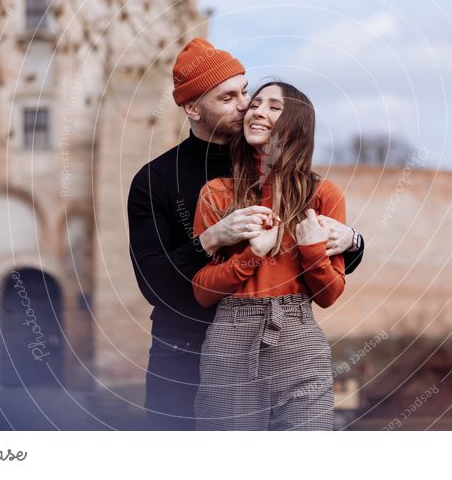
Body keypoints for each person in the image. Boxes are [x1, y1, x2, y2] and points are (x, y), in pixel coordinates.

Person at [127, 38, 366, 430]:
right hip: (184, 350)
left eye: (245, 92)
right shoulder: (156, 180)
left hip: (281, 341)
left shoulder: (277, 165)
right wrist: (211, 239)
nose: (244, 105)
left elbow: (310, 253)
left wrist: (352, 241)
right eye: (227, 97)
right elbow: (154, 284)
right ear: (192, 108)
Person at [192, 81, 349, 431]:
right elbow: (202, 291)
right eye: (256, 104)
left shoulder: (323, 195)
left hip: (298, 337)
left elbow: (329, 295)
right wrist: (252, 255)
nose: (258, 111)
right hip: (229, 341)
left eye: (274, 107)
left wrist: (311, 250)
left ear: (297, 124)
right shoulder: (216, 194)